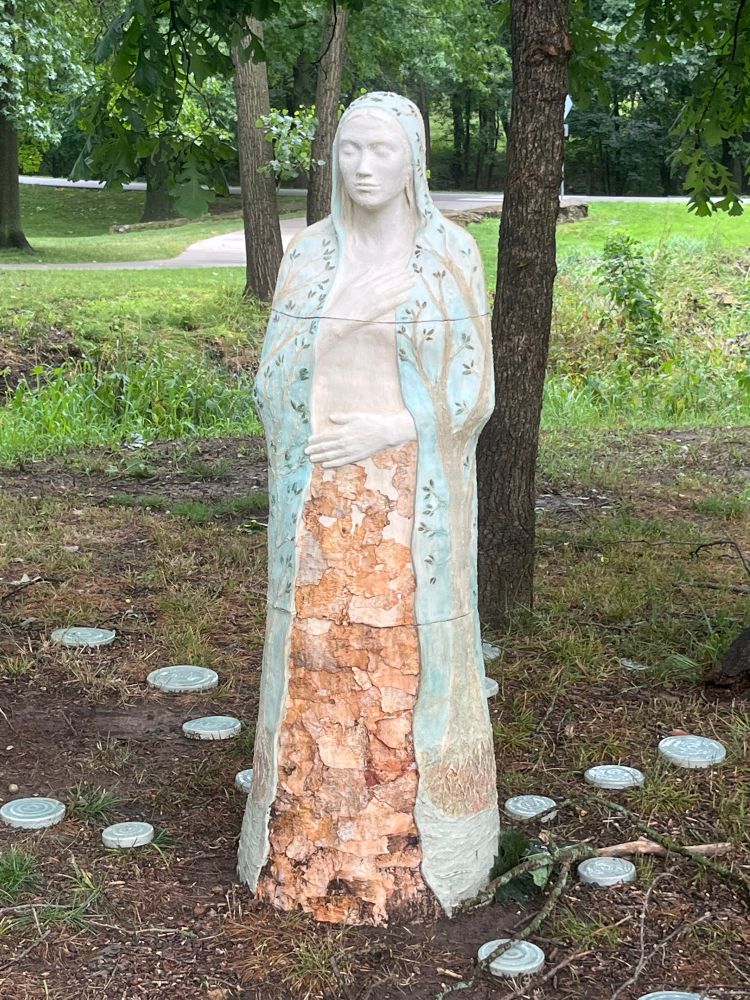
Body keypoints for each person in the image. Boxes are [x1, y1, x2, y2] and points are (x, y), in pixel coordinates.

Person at [239, 92, 499, 925]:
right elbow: (274, 371)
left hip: (408, 512)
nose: (362, 168)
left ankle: (422, 849)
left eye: (380, 151)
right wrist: (318, 435)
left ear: (412, 157)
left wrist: (396, 426)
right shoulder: (310, 256)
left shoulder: (449, 255)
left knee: (407, 671)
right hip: (320, 504)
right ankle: (306, 843)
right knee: (316, 672)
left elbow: (473, 387)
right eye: (349, 150)